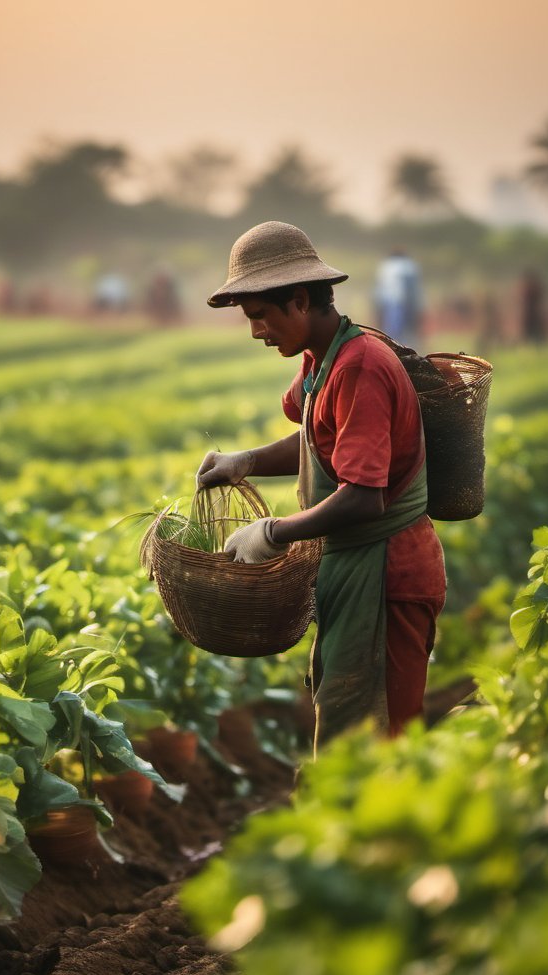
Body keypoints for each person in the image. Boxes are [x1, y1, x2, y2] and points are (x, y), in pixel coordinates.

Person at [196, 221, 446, 752]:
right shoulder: (320, 360)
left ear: (301, 301)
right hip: (353, 566)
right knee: (347, 721)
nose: (256, 332)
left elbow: (363, 494)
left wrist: (274, 532)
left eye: (261, 316)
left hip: (387, 575)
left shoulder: (361, 367)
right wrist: (244, 462)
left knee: (381, 735)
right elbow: (315, 437)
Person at [373, 248, 424, 351]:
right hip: (407, 303)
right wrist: (419, 308)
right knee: (409, 331)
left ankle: (393, 354)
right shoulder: (411, 266)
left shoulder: (385, 266)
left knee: (393, 332)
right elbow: (415, 290)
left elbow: (379, 289)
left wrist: (377, 307)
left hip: (390, 303)